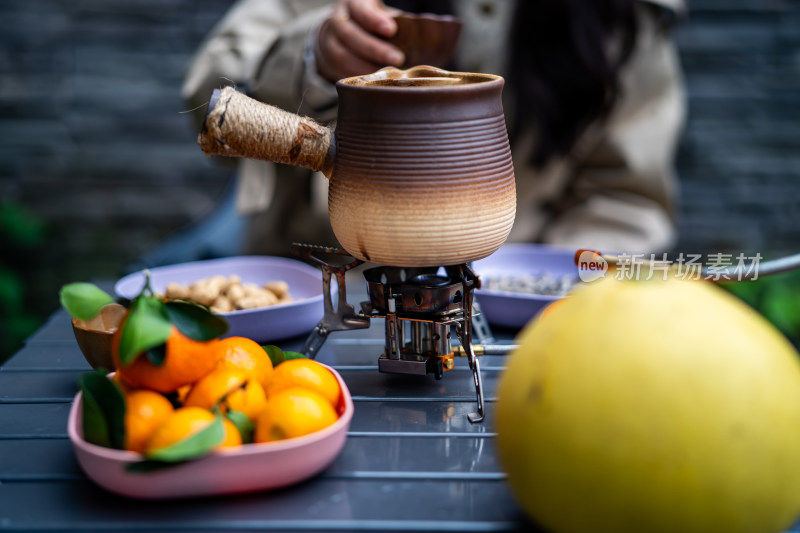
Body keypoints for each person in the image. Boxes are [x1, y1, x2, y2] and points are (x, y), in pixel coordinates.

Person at [182, 0, 685, 258]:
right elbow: (213, 105)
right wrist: (312, 58)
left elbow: (624, 198)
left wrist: (544, 293)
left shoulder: (622, 17)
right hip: (322, 285)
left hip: (519, 312)